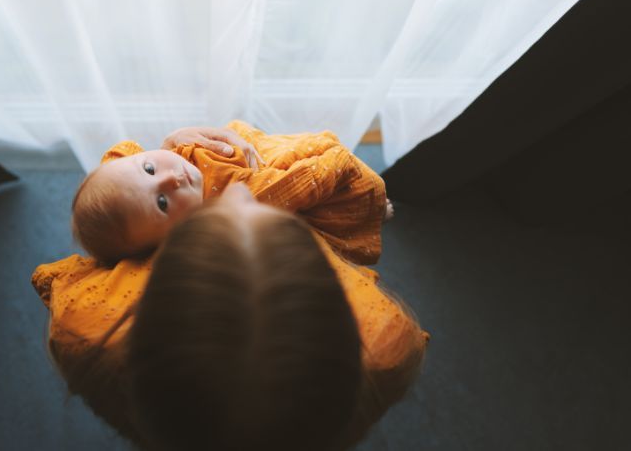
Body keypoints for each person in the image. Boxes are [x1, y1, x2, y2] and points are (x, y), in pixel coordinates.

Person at [32, 183, 428, 450]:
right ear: (327, 272)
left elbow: (110, 203)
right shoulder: (385, 343)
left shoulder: (83, 332)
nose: (237, 190)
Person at [72, 121, 392, 264]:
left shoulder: (175, 158)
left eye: (149, 169)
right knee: (357, 201)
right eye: (162, 202)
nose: (172, 180)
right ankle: (378, 211)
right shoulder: (233, 205)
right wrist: (334, 155)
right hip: (299, 187)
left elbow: (124, 156)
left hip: (248, 157)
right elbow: (303, 184)